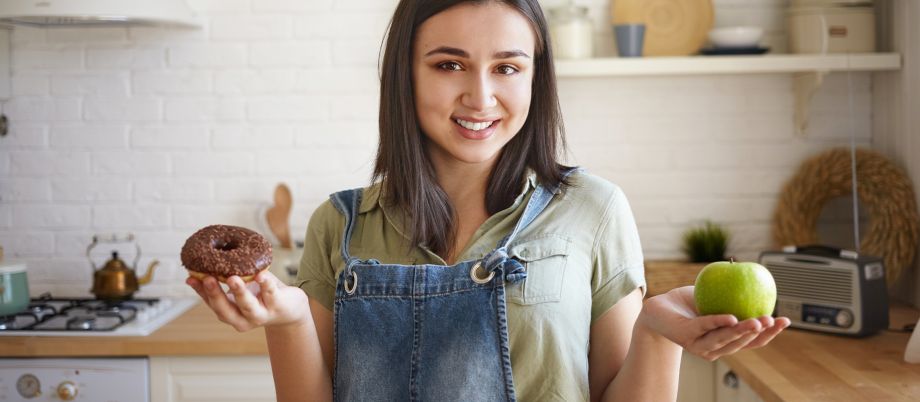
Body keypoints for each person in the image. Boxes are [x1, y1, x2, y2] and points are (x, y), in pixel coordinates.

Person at [186, 0, 791, 401]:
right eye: (449, 64)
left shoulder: (594, 210)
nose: (481, 96)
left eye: (507, 67)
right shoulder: (338, 225)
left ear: (534, 77)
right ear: (407, 74)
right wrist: (287, 320)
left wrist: (657, 335)